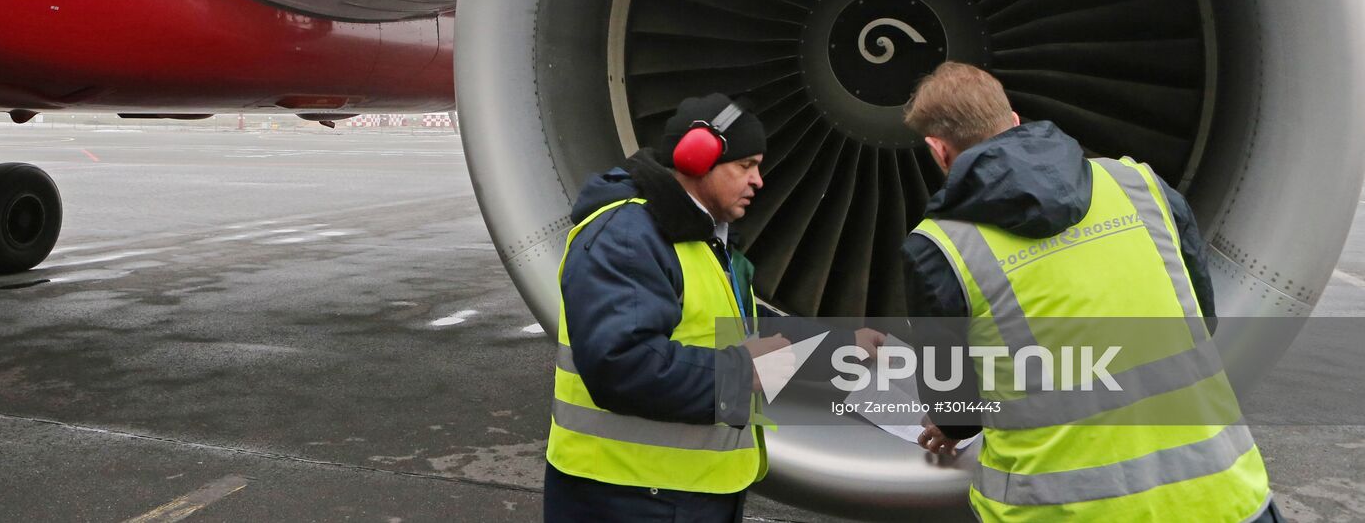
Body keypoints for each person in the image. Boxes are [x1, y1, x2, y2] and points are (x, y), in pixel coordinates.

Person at [900, 62, 1281, 522]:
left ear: (939, 151)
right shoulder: (1140, 184)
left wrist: (951, 422)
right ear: (1014, 120)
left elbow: (956, 408)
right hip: (1224, 499)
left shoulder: (940, 248)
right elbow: (1201, 318)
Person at [543, 93, 880, 522]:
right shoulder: (628, 236)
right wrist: (743, 372)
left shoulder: (701, 239)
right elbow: (620, 366)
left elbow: (733, 338)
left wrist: (839, 345)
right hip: (628, 498)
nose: (759, 180)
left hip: (687, 493)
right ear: (696, 158)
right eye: (745, 166)